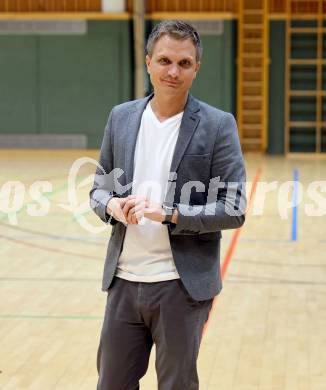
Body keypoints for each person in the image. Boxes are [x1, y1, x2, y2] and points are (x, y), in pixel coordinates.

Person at [90, 20, 246, 390]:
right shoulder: (121, 117)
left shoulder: (218, 125)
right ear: (148, 62)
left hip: (181, 285)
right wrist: (112, 205)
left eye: (184, 63)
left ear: (196, 68)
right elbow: (98, 188)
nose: (173, 71)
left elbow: (234, 206)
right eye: (164, 61)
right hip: (124, 282)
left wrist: (172, 213)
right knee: (111, 383)